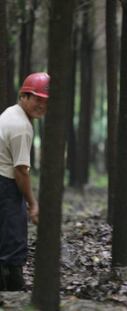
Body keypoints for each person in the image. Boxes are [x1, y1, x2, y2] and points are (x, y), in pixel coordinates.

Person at [0, 72, 49, 290]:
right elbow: (21, 172)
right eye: (37, 99)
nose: (41, 105)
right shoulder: (21, 127)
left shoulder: (11, 113)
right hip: (5, 185)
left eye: (46, 101)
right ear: (24, 96)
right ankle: (13, 291)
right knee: (13, 243)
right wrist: (32, 203)